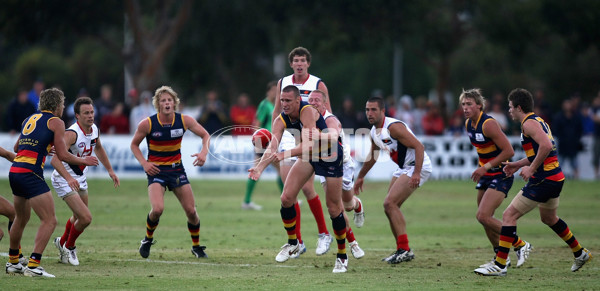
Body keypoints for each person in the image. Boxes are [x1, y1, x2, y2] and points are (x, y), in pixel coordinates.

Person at [474, 88, 592, 276]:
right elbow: (542, 150)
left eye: (511, 106)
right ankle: (580, 252)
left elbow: (545, 146)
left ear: (519, 107)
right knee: (549, 218)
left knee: (508, 216)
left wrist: (531, 168)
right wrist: (518, 164)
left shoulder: (528, 124)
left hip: (544, 179)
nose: (509, 110)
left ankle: (500, 264)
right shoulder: (538, 121)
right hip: (556, 178)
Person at [249, 85, 348, 273]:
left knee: (334, 208)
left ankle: (342, 256)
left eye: (288, 101)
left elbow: (310, 144)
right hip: (310, 156)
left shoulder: (307, 111)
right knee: (286, 198)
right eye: (282, 100)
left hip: (330, 155)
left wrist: (285, 154)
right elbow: (272, 146)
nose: (284, 104)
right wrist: (259, 168)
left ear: (297, 100)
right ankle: (293, 243)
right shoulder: (280, 119)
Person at [5, 88, 98, 278]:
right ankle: (33, 265)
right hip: (31, 172)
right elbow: (62, 155)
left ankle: (13, 262)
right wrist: (84, 160)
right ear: (56, 105)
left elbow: (17, 147)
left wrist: (42, 146)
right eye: (63, 104)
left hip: (15, 171)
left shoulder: (29, 119)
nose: (64, 107)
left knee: (21, 219)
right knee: (49, 220)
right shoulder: (57, 122)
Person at [131, 85, 210, 259]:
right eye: (163, 101)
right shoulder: (148, 124)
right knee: (157, 209)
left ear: (175, 103)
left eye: (169, 100)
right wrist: (144, 163)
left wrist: (204, 152)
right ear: (158, 104)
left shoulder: (184, 121)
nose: (167, 103)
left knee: (191, 211)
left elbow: (206, 135)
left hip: (176, 170)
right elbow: (134, 145)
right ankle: (147, 239)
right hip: (156, 171)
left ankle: (196, 246)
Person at [270, 47, 334, 257]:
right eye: (296, 60)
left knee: (307, 188)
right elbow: (277, 111)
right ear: (291, 64)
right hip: (288, 137)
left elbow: (328, 111)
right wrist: (274, 136)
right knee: (288, 194)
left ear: (308, 64)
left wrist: (325, 133)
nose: (299, 64)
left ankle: (324, 233)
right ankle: (297, 242)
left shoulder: (317, 83)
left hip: (308, 137)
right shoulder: (283, 82)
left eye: (302, 61)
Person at [354, 96, 433, 264]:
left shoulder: (393, 127)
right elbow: (373, 156)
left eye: (374, 109)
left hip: (417, 165)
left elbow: (419, 146)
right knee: (389, 207)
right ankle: (402, 249)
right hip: (404, 168)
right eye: (367, 109)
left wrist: (417, 173)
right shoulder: (374, 132)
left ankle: (404, 249)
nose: (369, 113)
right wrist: (360, 176)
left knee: (389, 203)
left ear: (383, 111)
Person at [459, 88, 532, 270]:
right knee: (484, 219)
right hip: (487, 174)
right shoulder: (469, 124)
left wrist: (485, 167)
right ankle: (500, 256)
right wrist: (483, 167)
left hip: (501, 173)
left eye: (469, 104)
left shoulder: (488, 124)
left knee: (483, 215)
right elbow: (485, 151)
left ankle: (521, 244)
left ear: (479, 106)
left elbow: (509, 151)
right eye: (463, 104)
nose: (465, 108)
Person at [50, 96, 120, 266]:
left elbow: (99, 147)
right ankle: (70, 247)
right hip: (63, 179)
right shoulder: (71, 134)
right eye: (86, 113)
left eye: (92, 112)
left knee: (78, 217)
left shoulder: (94, 129)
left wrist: (110, 170)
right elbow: (55, 160)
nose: (90, 116)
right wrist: (69, 178)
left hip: (80, 178)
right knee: (86, 218)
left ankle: (62, 242)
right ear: (77, 116)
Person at [308, 90, 365, 259]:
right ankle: (353, 243)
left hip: (343, 164)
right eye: (310, 100)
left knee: (347, 205)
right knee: (335, 207)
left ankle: (357, 205)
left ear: (324, 104)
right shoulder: (307, 119)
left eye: (317, 100)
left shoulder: (331, 119)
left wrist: (317, 135)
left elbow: (332, 136)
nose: (313, 102)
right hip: (324, 165)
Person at [242, 81, 283, 210]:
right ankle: (287, 198)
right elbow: (257, 123)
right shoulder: (265, 105)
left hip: (274, 141)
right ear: (268, 91)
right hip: (264, 142)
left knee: (280, 170)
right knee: (274, 169)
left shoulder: (278, 105)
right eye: (273, 90)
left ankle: (287, 197)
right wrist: (258, 142)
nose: (275, 93)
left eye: (277, 91)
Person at [552, 98, 583, 179]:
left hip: (573, 143)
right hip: (562, 143)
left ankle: (576, 177)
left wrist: (576, 138)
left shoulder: (576, 117)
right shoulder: (559, 117)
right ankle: (557, 178)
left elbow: (579, 129)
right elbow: (555, 130)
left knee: (574, 162)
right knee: (560, 162)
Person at [592, 94, 600, 179]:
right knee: (596, 155)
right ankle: (596, 175)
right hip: (597, 136)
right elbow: (593, 118)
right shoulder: (595, 108)